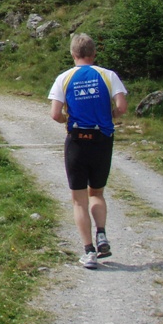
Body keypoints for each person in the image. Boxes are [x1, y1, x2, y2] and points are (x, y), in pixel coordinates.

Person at [48, 33, 127, 270]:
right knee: (97, 193)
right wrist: (108, 116)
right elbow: (122, 107)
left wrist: (66, 119)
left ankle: (89, 251)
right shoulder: (108, 75)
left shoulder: (64, 77)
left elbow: (55, 114)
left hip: (77, 141)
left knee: (78, 200)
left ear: (73, 55)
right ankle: (101, 233)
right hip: (102, 140)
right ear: (94, 54)